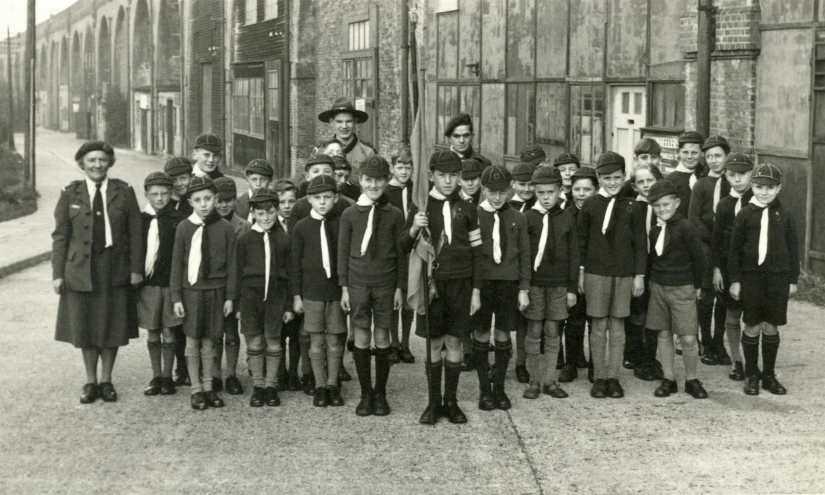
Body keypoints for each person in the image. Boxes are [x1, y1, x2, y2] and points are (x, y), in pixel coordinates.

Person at [53, 141, 144, 404]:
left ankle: (107, 380)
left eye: (102, 160)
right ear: (82, 163)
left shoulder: (124, 192)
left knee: (112, 324)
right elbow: (61, 236)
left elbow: (136, 234)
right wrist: (57, 273)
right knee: (85, 325)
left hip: (114, 267)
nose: (97, 165)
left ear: (110, 163)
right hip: (80, 268)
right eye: (91, 160)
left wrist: (136, 269)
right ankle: (90, 381)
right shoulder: (70, 193)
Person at [401, 150, 483, 425]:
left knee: (454, 341)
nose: (448, 181)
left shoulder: (469, 208)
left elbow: (477, 254)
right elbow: (401, 247)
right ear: (431, 176)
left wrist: (475, 291)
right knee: (434, 341)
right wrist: (414, 228)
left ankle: (452, 401)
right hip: (432, 285)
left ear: (460, 176)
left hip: (461, 283)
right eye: (441, 175)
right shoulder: (422, 206)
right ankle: (433, 402)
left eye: (453, 175)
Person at [339, 155, 406, 416]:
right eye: (368, 180)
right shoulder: (349, 214)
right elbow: (342, 254)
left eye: (379, 180)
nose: (374, 185)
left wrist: (400, 287)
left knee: (382, 336)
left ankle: (381, 392)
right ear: (360, 181)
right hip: (358, 284)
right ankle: (365, 393)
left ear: (387, 181)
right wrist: (344, 288)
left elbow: (401, 254)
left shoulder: (395, 214)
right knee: (362, 334)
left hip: (385, 284)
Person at [578, 151, 647, 399]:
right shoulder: (590, 205)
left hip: (624, 273)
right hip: (596, 272)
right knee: (598, 325)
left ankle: (614, 377)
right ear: (598, 178)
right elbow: (581, 242)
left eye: (617, 177)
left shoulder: (633, 206)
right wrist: (581, 274)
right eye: (606, 178)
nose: (612, 182)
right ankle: (598, 378)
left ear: (624, 176)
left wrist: (639, 275)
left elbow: (640, 243)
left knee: (617, 326)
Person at [728, 164, 799, 396]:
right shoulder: (744, 215)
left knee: (771, 326)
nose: (764, 192)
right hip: (751, 278)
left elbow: (793, 248)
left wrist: (792, 279)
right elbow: (735, 251)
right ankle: (751, 375)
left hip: (777, 279)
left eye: (769, 188)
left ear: (778, 188)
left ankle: (768, 375)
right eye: (759, 187)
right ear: (752, 186)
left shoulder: (785, 215)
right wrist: (735, 280)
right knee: (752, 325)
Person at [170, 176, 238, 410]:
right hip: (191, 293)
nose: (203, 204)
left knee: (211, 341)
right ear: (190, 202)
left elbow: (232, 265)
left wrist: (230, 297)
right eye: (197, 200)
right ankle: (196, 389)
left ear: (215, 199)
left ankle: (209, 387)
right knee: (192, 340)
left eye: (208, 199)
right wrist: (176, 297)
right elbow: (177, 265)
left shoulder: (226, 228)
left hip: (216, 291)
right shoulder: (184, 228)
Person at [289, 154, 355, 389]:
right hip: (312, 292)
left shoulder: (343, 223)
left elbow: (348, 259)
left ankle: (332, 383)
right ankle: (318, 385)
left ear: (336, 197)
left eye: (328, 197)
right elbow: (295, 264)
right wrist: (297, 296)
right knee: (315, 340)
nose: (323, 202)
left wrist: (347, 290)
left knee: (336, 341)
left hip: (336, 291)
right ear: (309, 199)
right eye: (317, 198)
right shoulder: (301, 227)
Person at [472, 165, 531, 409]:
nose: (497, 197)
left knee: (504, 333)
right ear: (483, 189)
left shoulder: (518, 217)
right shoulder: (474, 215)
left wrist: (524, 288)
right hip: (483, 283)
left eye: (502, 192)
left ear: (510, 190)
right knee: (482, 333)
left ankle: (500, 388)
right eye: (492, 192)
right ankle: (484, 389)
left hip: (508, 283)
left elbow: (525, 255)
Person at [645, 180, 709, 399]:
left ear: (677, 202)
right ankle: (669, 378)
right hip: (659, 287)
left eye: (666, 204)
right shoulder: (654, 231)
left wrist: (697, 286)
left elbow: (699, 259)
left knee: (689, 337)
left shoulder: (686, 228)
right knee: (664, 334)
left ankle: (692, 379)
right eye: (657, 206)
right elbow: (653, 259)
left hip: (683, 288)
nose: (662, 209)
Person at [521, 167, 578, 399]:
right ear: (535, 191)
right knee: (534, 330)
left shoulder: (567, 217)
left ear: (560, 191)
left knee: (553, 330)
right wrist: (523, 287)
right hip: (535, 283)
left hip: (559, 284)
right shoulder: (527, 218)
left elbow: (574, 254)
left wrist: (572, 288)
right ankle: (534, 381)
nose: (546, 197)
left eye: (551, 192)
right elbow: (524, 255)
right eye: (541, 192)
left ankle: (550, 381)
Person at [237, 188, 294, 407]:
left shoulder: (284, 240)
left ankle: (271, 385)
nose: (266, 218)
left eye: (270, 212)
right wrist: (237, 302)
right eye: (260, 214)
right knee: (255, 340)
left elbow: (290, 275)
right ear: (253, 213)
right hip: (251, 295)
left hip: (276, 295)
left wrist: (288, 305)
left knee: (273, 340)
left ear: (277, 210)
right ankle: (258, 386)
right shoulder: (245, 240)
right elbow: (238, 272)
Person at [139, 172, 187, 397]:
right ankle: (156, 375)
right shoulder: (141, 220)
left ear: (171, 194)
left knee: (169, 331)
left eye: (164, 194)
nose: (159, 198)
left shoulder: (178, 221)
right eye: (155, 194)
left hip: (169, 284)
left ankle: (168, 377)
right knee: (152, 332)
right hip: (148, 285)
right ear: (146, 194)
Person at [710, 153, 754, 381]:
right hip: (729, 268)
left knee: (754, 316)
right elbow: (717, 240)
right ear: (725, 176)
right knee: (732, 313)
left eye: (742, 174)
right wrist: (716, 268)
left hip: (753, 269)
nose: (737, 180)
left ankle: (753, 361)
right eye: (731, 175)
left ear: (751, 174)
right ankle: (737, 360)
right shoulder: (724, 205)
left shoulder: (758, 201)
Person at [690, 135, 732, 367]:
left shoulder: (732, 185)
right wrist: (713, 240)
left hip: (727, 249)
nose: (714, 160)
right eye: (709, 157)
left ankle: (719, 342)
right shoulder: (701, 185)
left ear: (727, 156)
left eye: (718, 156)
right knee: (706, 298)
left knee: (723, 297)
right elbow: (694, 218)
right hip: (706, 248)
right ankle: (705, 342)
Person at [624, 162, 664, 382]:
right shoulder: (631, 207)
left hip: (658, 267)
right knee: (637, 312)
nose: (646, 185)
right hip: (637, 268)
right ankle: (636, 356)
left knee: (655, 313)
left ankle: (651, 356)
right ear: (634, 185)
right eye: (641, 181)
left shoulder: (663, 207)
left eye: (650, 180)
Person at [212, 177, 252, 395]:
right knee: (215, 333)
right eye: (219, 200)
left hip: (236, 288)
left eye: (228, 200)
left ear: (235, 201)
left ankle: (231, 375)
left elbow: (247, 260)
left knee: (232, 334)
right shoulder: (208, 223)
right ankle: (215, 374)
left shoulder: (244, 226)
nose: (223, 205)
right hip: (215, 288)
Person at [559, 166, 598, 384]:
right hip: (573, 275)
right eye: (577, 189)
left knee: (595, 321)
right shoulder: (566, 214)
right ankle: (570, 364)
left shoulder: (601, 211)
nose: (581, 194)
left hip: (596, 274)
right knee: (573, 321)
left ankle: (595, 365)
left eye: (587, 189)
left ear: (596, 189)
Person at [164, 156, 194, 385]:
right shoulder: (165, 204)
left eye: (183, 178)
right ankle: (178, 369)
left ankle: (188, 367)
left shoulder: (191, 204)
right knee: (172, 324)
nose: (179, 183)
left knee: (188, 323)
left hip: (190, 270)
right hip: (169, 270)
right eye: (174, 179)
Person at [510, 152, 539, 384]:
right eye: (522, 184)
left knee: (524, 320)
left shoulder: (540, 209)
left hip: (531, 271)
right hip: (508, 269)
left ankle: (521, 363)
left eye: (531, 185)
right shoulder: (506, 205)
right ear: (513, 184)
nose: (527, 189)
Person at [386, 148, 416, 364]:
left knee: (408, 300)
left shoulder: (418, 191)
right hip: (392, 251)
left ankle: (406, 343)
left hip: (413, 251)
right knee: (392, 300)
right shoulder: (386, 192)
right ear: (392, 168)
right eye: (400, 167)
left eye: (408, 167)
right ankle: (393, 343)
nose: (404, 171)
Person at [273, 179, 303, 391]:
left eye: (291, 201)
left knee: (295, 333)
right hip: (276, 288)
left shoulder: (300, 226)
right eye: (281, 201)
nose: (286, 206)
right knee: (278, 332)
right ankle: (280, 372)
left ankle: (294, 372)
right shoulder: (271, 227)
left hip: (295, 286)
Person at [318, 98, 376, 198]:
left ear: (355, 121)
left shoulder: (367, 153)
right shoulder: (321, 151)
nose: (344, 126)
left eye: (348, 121)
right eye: (339, 122)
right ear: (332, 122)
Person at [665, 131, 705, 218]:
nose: (689, 157)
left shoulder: (706, 175)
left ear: (702, 153)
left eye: (694, 152)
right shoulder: (670, 180)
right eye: (685, 152)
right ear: (679, 152)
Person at [235, 159, 274, 223]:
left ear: (270, 181)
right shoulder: (237, 204)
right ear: (247, 180)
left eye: (263, 180)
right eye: (254, 179)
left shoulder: (275, 203)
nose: (258, 184)